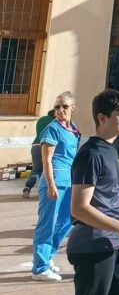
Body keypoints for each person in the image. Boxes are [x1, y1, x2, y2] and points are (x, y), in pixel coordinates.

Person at [67, 89, 119, 295]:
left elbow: (109, 195)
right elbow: (79, 207)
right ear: (102, 117)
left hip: (117, 245)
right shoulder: (91, 153)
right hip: (94, 246)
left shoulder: (112, 150)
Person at [31, 90, 80, 282]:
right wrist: (51, 184)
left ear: (72, 108)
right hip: (54, 182)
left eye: (64, 106)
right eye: (57, 107)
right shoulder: (52, 129)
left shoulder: (73, 129)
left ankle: (47, 255)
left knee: (66, 221)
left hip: (69, 182)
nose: (60, 110)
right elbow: (47, 160)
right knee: (47, 224)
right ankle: (40, 268)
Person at [23, 106, 56, 198]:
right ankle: (45, 191)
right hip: (47, 145)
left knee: (36, 170)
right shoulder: (56, 121)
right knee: (48, 168)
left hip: (35, 146)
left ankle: (27, 188)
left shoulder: (41, 119)